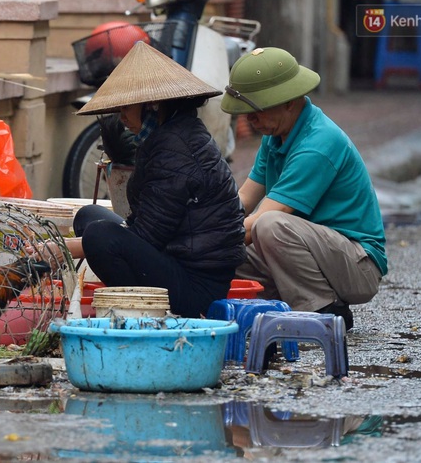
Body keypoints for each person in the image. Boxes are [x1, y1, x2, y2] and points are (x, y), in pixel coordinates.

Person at [56, 41, 246, 318]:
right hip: (175, 259)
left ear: (153, 105)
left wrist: (58, 249)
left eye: (126, 109)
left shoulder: (175, 148)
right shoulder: (169, 134)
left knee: (98, 236)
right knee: (89, 217)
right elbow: (143, 224)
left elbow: (147, 236)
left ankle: (144, 315)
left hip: (196, 286)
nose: (121, 118)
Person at [220, 47, 387, 330]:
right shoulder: (275, 136)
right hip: (313, 254)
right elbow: (244, 200)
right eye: (247, 113)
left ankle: (324, 312)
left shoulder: (318, 143)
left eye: (257, 111)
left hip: (358, 265)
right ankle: (279, 304)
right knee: (225, 255)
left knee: (267, 226)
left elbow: (262, 220)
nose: (250, 120)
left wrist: (204, 243)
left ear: (289, 102)